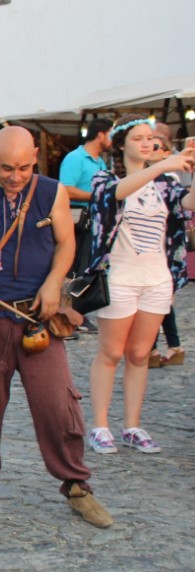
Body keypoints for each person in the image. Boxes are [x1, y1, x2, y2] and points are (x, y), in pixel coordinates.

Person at [0, 127, 112, 528]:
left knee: (57, 405)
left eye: (25, 167)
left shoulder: (52, 193)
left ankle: (76, 485)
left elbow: (66, 244)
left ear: (35, 158)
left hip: (38, 318)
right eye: (7, 168)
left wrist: (52, 284)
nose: (16, 176)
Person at [83, 116, 195, 455]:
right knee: (111, 352)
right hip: (119, 278)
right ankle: (99, 425)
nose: (148, 144)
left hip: (156, 279)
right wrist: (162, 166)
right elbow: (114, 195)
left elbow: (189, 203)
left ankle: (132, 425)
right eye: (139, 139)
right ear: (121, 145)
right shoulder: (106, 179)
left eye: (151, 139)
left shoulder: (164, 184)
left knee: (139, 353)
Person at [59, 117, 113, 334]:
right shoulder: (76, 158)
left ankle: (78, 313)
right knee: (70, 268)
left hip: (94, 222)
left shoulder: (100, 161)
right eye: (110, 134)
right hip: (76, 220)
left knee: (86, 267)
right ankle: (66, 313)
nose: (112, 140)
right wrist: (96, 196)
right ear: (100, 134)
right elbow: (65, 188)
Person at [147, 123, 185, 369]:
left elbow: (181, 208)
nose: (149, 148)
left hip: (166, 249)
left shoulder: (168, 180)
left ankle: (163, 347)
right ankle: (169, 346)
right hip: (151, 251)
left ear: (165, 154)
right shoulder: (140, 177)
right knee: (158, 300)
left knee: (160, 300)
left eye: (156, 146)